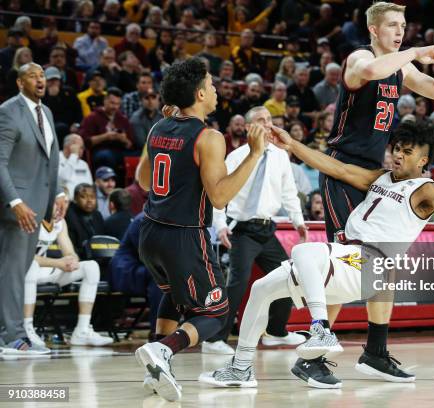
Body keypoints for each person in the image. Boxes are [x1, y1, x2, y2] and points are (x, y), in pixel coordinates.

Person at [200, 120, 434, 388]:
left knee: (306, 250)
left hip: (372, 263)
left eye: (407, 151)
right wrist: (293, 144)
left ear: (423, 159)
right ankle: (241, 368)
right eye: (397, 148)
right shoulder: (381, 178)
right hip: (347, 260)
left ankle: (320, 330)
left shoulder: (426, 189)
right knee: (260, 288)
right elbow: (337, 168)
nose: (398, 155)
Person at [314, 1, 434, 385]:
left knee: (383, 263)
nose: (400, 31)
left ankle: (375, 352)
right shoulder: (361, 58)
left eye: (403, 25)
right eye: (393, 25)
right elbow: (368, 70)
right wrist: (414, 52)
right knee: (347, 263)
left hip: (376, 176)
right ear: (374, 31)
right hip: (341, 171)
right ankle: (314, 353)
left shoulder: (399, 68)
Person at [133, 58, 266, 402]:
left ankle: (156, 370)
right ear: (200, 92)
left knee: (173, 295)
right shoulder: (209, 137)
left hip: (149, 233)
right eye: (212, 82)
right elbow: (220, 197)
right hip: (184, 236)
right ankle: (164, 351)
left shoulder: (158, 127)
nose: (217, 88)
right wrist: (253, 155)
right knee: (216, 312)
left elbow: (144, 181)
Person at [205, 106, 307, 354]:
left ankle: (275, 332)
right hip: (241, 229)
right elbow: (218, 195)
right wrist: (219, 226)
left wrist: (298, 221)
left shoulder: (281, 155)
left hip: (267, 229)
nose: (268, 124)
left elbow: (288, 192)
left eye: (270, 119)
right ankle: (215, 339)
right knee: (237, 283)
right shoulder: (237, 156)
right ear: (250, 127)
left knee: (288, 276)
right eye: (261, 120)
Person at [0, 62, 65, 354]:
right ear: (19, 82)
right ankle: (10, 337)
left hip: (38, 205)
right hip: (16, 208)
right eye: (32, 75)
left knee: (19, 270)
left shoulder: (46, 112)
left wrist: (59, 193)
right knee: (12, 273)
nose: (39, 80)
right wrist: (15, 202)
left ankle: (13, 333)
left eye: (42, 75)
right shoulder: (8, 111)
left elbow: (51, 159)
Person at [23, 209, 113, 348]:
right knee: (32, 266)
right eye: (58, 203)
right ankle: (26, 328)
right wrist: (58, 263)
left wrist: (71, 261)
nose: (62, 207)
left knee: (91, 266)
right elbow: (25, 257)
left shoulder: (60, 222)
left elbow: (70, 252)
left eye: (65, 203)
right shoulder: (30, 217)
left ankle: (82, 331)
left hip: (46, 270)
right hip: (22, 271)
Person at [65, 183, 105, 258]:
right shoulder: (68, 215)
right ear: (75, 199)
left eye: (92, 197)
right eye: (83, 197)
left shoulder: (97, 215)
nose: (89, 200)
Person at [58, 134, 93, 199]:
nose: (82, 150)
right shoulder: (56, 159)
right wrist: (73, 155)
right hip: (63, 201)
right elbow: (64, 177)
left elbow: (89, 185)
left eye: (83, 148)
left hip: (82, 202)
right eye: (80, 147)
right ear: (68, 146)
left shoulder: (83, 164)